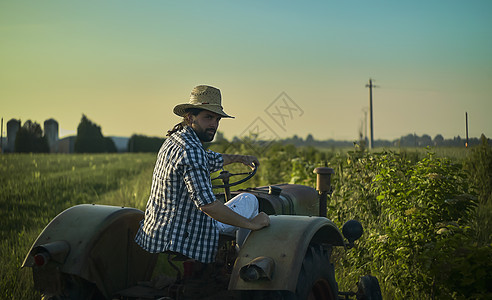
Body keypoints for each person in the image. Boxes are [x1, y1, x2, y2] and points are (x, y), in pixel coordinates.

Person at [135, 85, 270, 263]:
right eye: (208, 117)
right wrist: (252, 224)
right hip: (183, 235)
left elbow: (209, 159)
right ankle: (240, 264)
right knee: (249, 200)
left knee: (242, 202)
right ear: (190, 117)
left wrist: (241, 158)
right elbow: (208, 206)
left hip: (160, 229)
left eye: (217, 119)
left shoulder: (176, 140)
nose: (214, 124)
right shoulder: (191, 150)